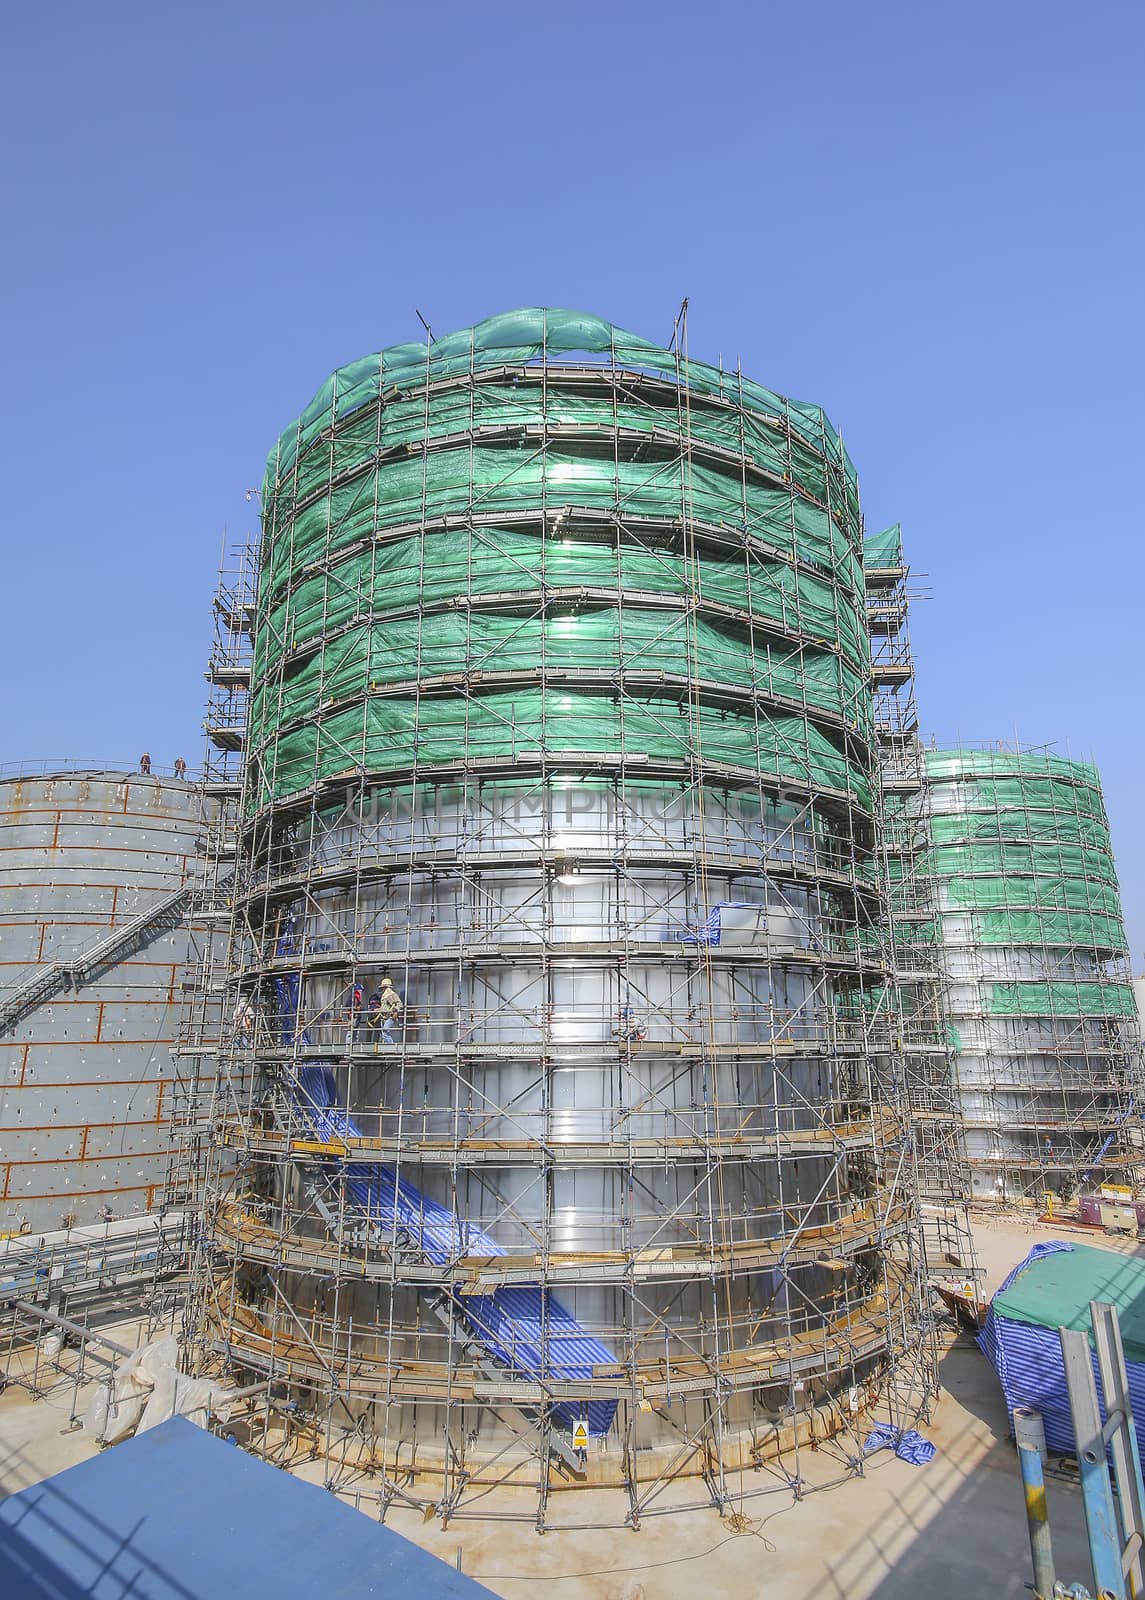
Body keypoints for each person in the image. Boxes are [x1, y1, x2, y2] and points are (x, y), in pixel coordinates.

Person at [377, 975, 403, 1044]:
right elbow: (384, 1007)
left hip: (390, 1016)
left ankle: (390, 1047)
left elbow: (399, 1003)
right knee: (384, 1033)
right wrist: (377, 1010)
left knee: (385, 1030)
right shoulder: (384, 995)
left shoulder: (391, 994)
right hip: (384, 1016)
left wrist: (395, 1009)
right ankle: (387, 1046)